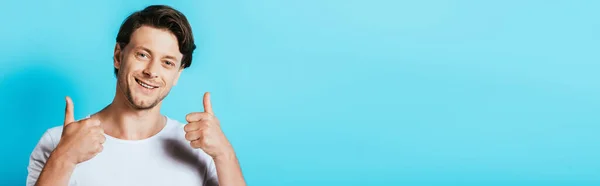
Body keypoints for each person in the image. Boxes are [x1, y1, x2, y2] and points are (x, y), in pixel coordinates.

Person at [26, 5, 246, 186]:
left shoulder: (201, 147)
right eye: (142, 54)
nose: (152, 71)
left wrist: (225, 155)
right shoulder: (58, 142)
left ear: (177, 74)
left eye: (167, 63)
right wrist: (64, 158)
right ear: (118, 56)